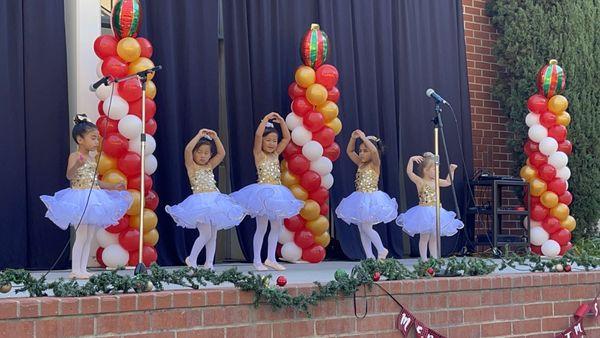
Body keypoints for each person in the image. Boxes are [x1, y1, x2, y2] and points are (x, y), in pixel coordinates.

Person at [40, 114, 132, 279]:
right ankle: (75, 269)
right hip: (80, 199)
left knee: (89, 235)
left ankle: (83, 269)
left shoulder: (92, 159)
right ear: (80, 139)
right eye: (93, 138)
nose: (97, 142)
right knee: (81, 234)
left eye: (97, 138)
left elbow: (96, 182)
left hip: (94, 197)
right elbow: (69, 175)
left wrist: (113, 187)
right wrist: (77, 164)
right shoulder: (75, 157)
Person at [231, 112, 303, 271]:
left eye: (274, 141)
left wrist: (282, 122)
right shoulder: (259, 154)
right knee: (262, 227)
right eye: (268, 140)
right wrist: (265, 119)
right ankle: (257, 260)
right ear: (262, 142)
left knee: (276, 226)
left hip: (277, 193)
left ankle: (271, 258)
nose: (271, 143)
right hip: (262, 193)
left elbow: (287, 138)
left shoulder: (276, 154)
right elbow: (257, 135)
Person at [165, 128, 245, 269]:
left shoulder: (209, 165)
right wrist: (198, 135)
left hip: (215, 200)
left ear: (210, 155)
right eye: (200, 152)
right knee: (206, 233)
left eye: (206, 153)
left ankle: (209, 263)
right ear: (195, 153)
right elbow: (188, 150)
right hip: (200, 203)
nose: (203, 156)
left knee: (213, 235)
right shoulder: (191, 166)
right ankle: (192, 258)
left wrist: (215, 138)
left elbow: (222, 153)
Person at [335, 129, 398, 260]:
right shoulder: (360, 164)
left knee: (366, 227)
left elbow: (374, 151)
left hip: (371, 199)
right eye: (361, 151)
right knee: (362, 229)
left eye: (365, 150)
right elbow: (349, 151)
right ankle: (369, 256)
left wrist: (364, 138)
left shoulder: (375, 164)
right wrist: (353, 138)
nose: (362, 153)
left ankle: (381, 249)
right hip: (360, 198)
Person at [396, 152, 464, 261]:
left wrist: (451, 170)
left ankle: (434, 258)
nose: (436, 171)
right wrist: (411, 159)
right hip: (424, 212)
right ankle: (424, 259)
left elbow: (448, 182)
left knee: (434, 237)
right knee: (424, 237)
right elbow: (409, 172)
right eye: (433, 169)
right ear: (425, 170)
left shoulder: (436, 181)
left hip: (437, 211)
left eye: (437, 169)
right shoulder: (420, 181)